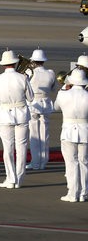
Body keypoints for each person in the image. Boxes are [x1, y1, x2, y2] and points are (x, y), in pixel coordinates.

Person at [0, 50, 34, 189]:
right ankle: (19, 179)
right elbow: (31, 97)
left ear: (3, 64)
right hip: (21, 113)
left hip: (5, 114)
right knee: (21, 148)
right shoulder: (23, 78)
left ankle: (10, 178)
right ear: (15, 63)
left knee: (8, 148)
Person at [54, 68, 88, 202]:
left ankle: (73, 193)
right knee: (84, 162)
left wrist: (63, 89)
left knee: (71, 163)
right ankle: (84, 193)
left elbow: (55, 107)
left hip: (68, 131)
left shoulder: (63, 94)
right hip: (85, 130)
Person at [26, 48, 56, 171]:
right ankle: (43, 161)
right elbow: (53, 88)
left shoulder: (29, 71)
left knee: (34, 134)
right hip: (46, 103)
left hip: (33, 103)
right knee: (45, 134)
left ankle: (35, 162)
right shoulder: (51, 72)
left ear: (33, 60)